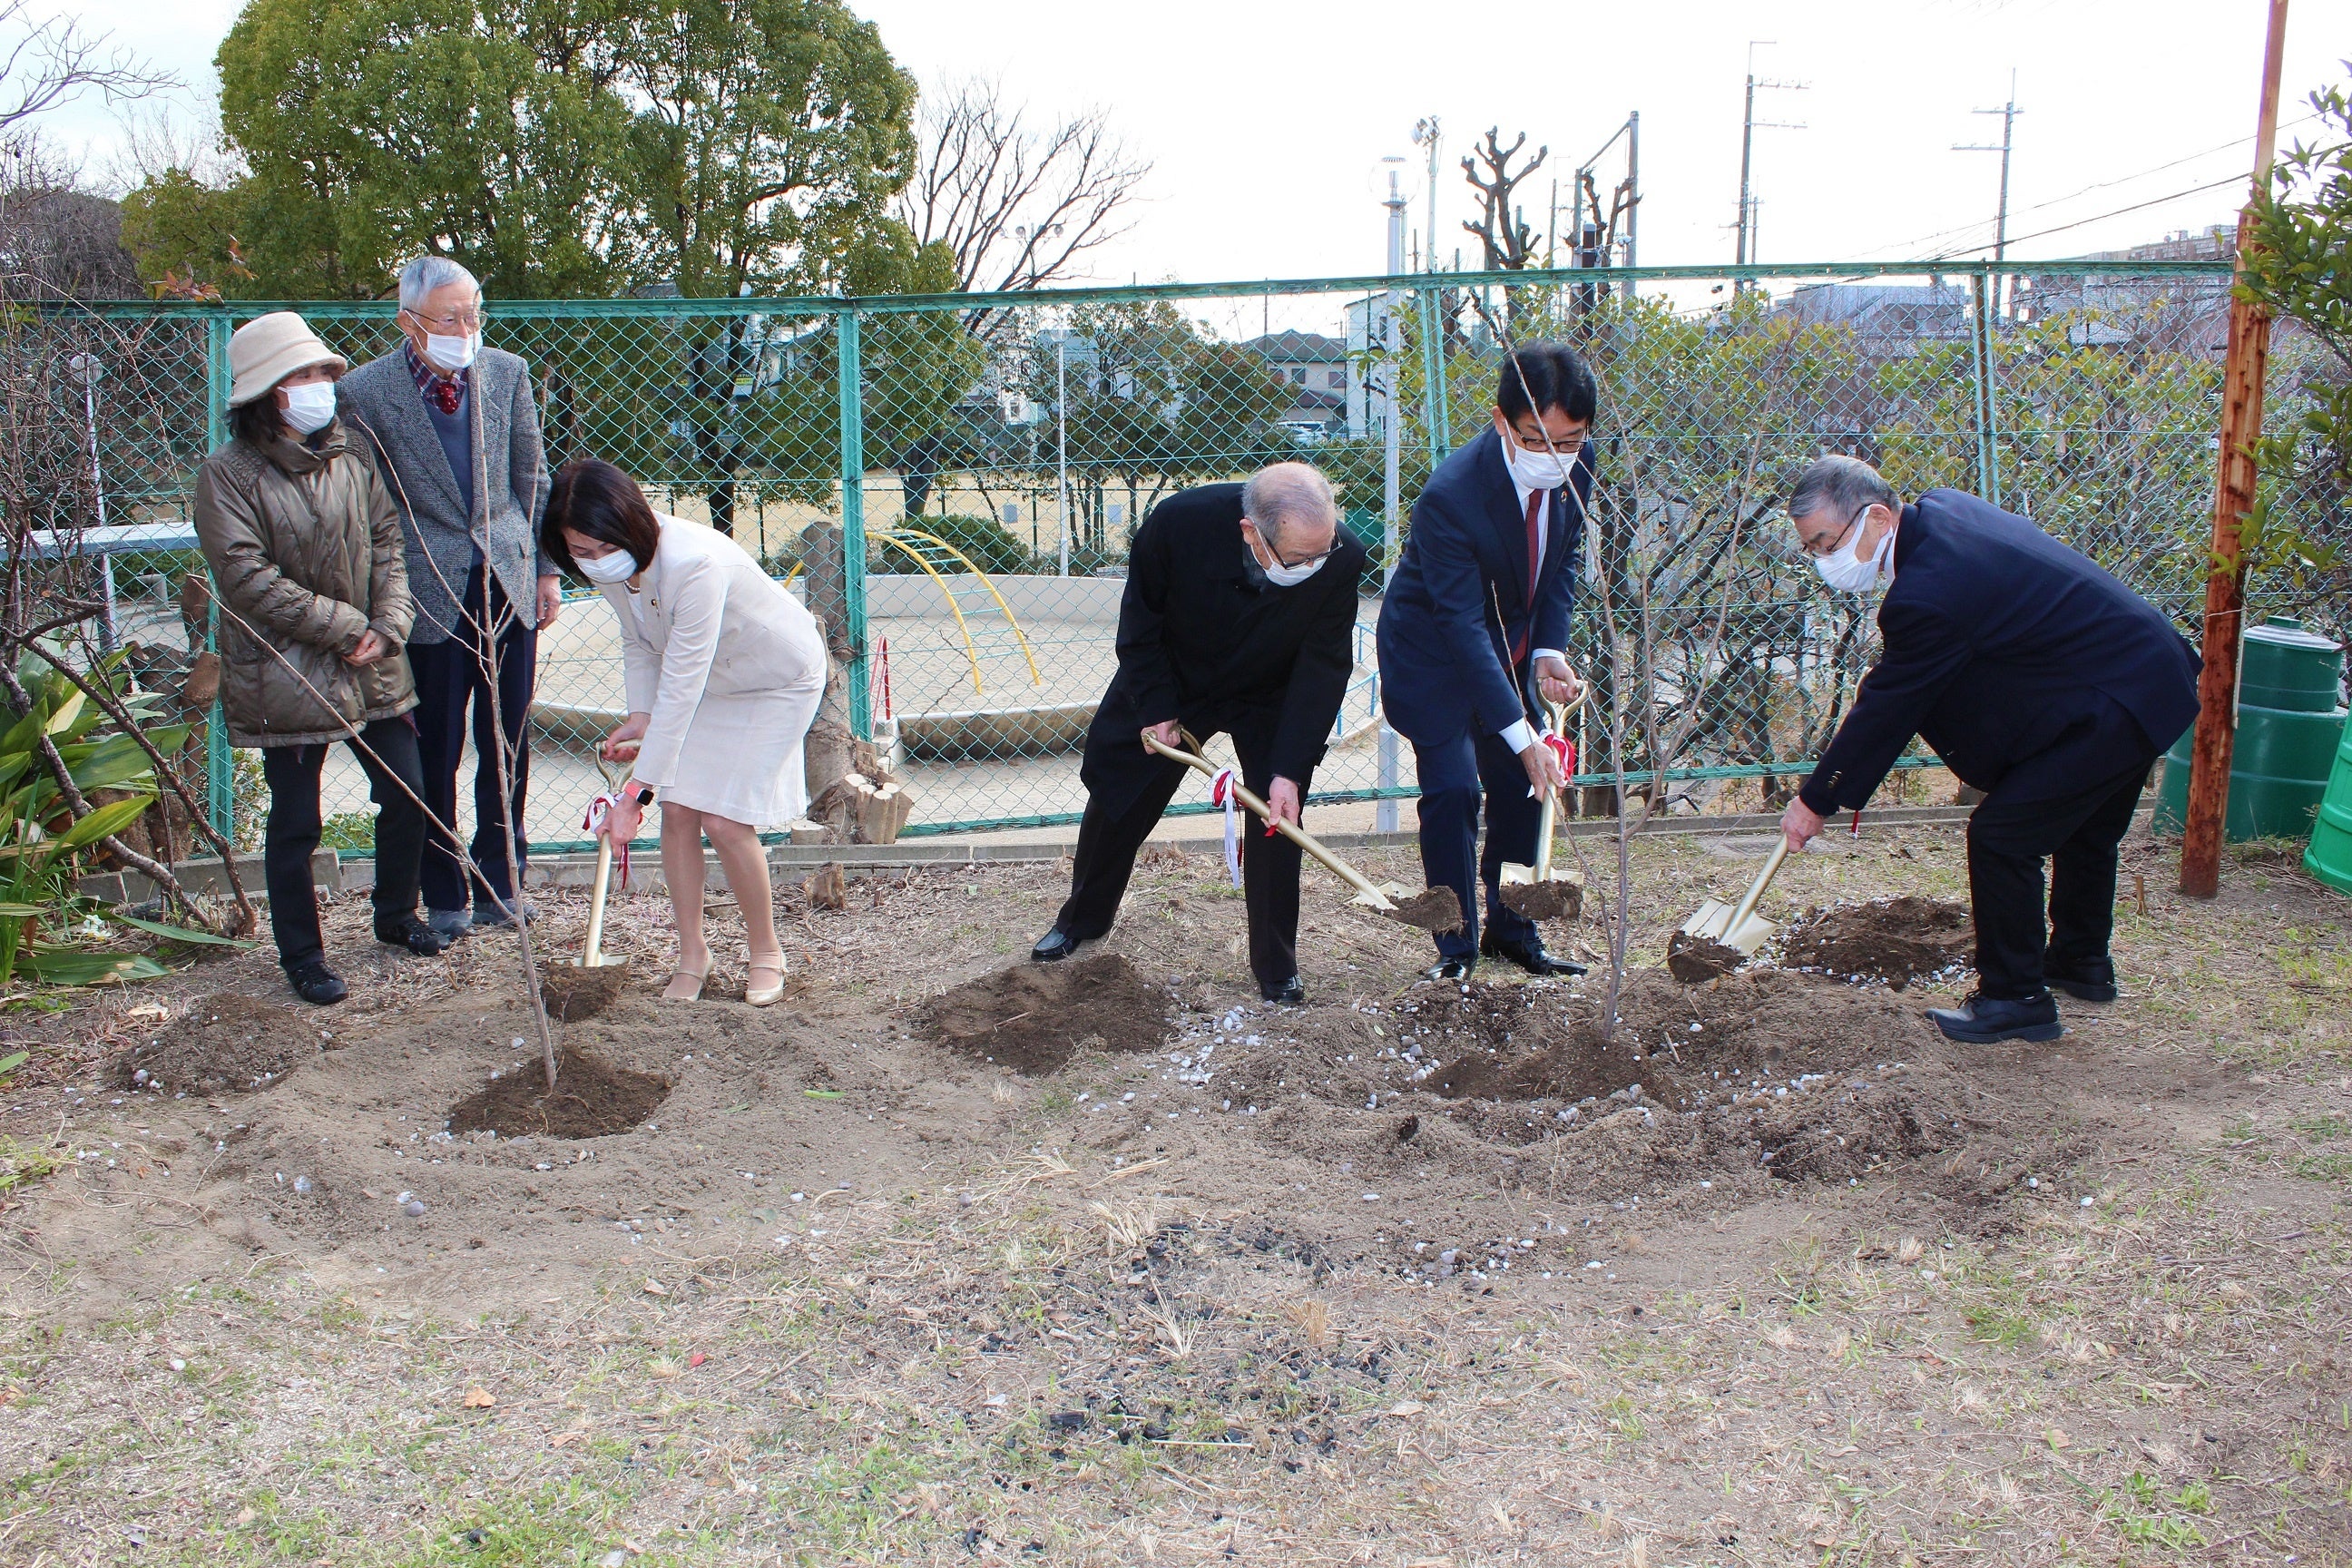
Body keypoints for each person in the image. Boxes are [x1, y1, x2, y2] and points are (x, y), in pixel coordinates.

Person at [1777, 456, 2200, 1044]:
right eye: (1812, 549)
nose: (1824, 560)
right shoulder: (1947, 510)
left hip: (2116, 696)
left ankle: (2015, 997)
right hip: (2147, 673)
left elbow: (1888, 706)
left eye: (1826, 543)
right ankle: (2080, 962)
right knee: (2085, 830)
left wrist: (1816, 799)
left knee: (2003, 837)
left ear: (1876, 518)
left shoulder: (1928, 593)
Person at [1030, 463, 1367, 1003]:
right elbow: (1140, 625)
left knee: (1278, 816)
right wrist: (1157, 707)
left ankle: (1276, 964)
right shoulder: (1177, 525)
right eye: (1299, 559)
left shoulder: (1341, 555)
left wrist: (1290, 768)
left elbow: (1324, 665)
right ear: (1251, 531)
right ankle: (1083, 919)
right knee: (1121, 794)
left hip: (1271, 690)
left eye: (1320, 555)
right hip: (1177, 678)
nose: (1313, 567)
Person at [191, 311, 448, 1005]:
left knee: (408, 792)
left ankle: (396, 914)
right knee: (297, 822)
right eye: (301, 375)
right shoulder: (227, 476)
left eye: (322, 373)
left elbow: (389, 542)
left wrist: (389, 622)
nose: (318, 386)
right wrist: (345, 626)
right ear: (265, 391)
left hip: (373, 659)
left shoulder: (353, 453)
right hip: (287, 669)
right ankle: (303, 956)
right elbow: (245, 577)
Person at [542, 457, 827, 1005]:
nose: (596, 561)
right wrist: (640, 715)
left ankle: (766, 953)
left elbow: (681, 685)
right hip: (705, 682)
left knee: (723, 820)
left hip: (774, 680)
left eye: (605, 547)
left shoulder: (695, 563)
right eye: (581, 552)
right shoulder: (611, 568)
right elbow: (638, 641)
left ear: (632, 521)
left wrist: (634, 795)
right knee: (677, 812)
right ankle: (693, 955)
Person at [338, 255, 557, 943]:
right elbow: (364, 504)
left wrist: (544, 569)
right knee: (435, 746)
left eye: (474, 315)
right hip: (423, 586)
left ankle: (503, 881)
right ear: (410, 322)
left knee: (507, 740)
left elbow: (533, 476)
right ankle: (443, 890)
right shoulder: (363, 393)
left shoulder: (507, 373)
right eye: (451, 318)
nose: (466, 330)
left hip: (506, 577)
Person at [1376, 344, 1595, 982]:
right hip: (1434, 654)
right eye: (1537, 439)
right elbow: (1461, 624)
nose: (1556, 455)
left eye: (1571, 440)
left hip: (1508, 647)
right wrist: (1524, 736)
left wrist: (1549, 649)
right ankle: (1455, 947)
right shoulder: (1452, 495)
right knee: (1453, 791)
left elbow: (1562, 559)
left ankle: (1512, 930)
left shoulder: (1579, 464)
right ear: (1501, 421)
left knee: (1525, 787)